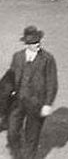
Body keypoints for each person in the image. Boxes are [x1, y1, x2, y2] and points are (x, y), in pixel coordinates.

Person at [5, 25, 58, 159]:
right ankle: (18, 156)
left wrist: (47, 104)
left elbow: (52, 82)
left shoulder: (47, 59)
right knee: (11, 133)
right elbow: (11, 77)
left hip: (37, 102)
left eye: (38, 41)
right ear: (27, 44)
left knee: (32, 136)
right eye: (34, 42)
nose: (38, 44)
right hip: (17, 102)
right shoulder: (17, 57)